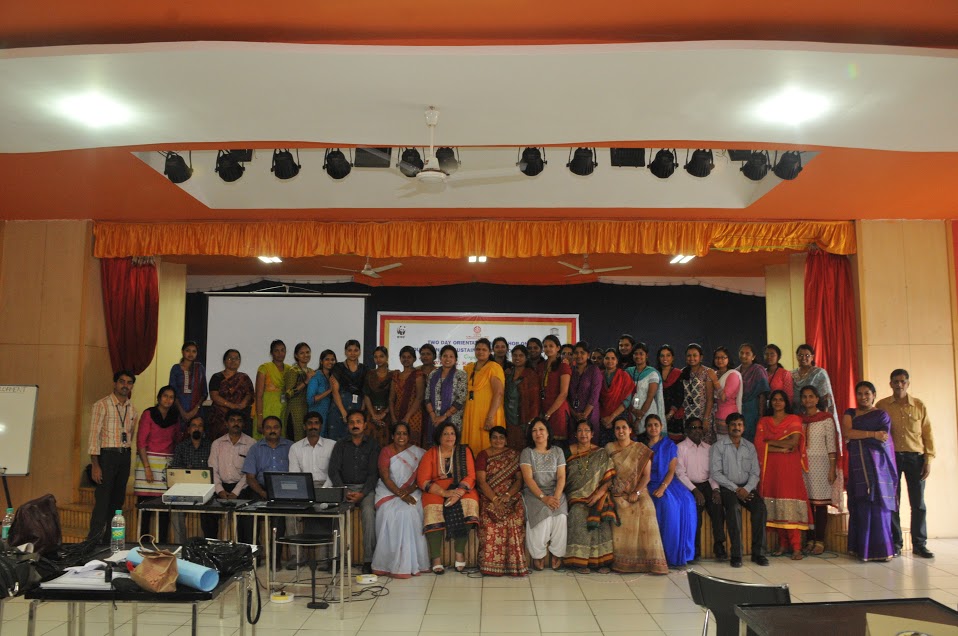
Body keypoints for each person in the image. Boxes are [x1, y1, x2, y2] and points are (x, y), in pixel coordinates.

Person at [877, 369, 936, 559]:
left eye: (902, 381)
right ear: (890, 384)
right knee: (893, 502)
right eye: (895, 381)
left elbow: (927, 434)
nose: (899, 385)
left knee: (918, 503)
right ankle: (895, 543)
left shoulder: (919, 405)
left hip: (915, 458)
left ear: (908, 384)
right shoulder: (882, 406)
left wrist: (928, 459)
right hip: (891, 459)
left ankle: (919, 544)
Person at [605, 416, 668, 574]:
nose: (621, 431)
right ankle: (623, 562)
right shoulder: (609, 448)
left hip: (639, 490)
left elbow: (646, 476)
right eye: (617, 428)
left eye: (624, 428)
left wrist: (637, 492)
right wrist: (617, 490)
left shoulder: (640, 449)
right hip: (617, 493)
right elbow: (606, 474)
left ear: (630, 430)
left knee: (647, 509)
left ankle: (650, 562)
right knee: (624, 512)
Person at [754, 391, 812, 559]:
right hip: (770, 468)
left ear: (786, 402)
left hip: (789, 468)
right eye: (774, 400)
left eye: (781, 400)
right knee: (775, 503)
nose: (777, 402)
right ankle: (783, 544)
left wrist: (769, 443)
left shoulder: (794, 419)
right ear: (770, 402)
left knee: (790, 504)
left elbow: (793, 443)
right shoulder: (764, 421)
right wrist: (779, 447)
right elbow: (758, 445)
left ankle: (796, 547)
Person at [844, 381, 897, 562]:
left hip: (878, 467)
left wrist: (861, 434)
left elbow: (884, 438)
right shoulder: (850, 413)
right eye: (859, 393)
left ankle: (883, 550)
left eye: (867, 393)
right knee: (860, 503)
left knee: (879, 505)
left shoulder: (881, 415)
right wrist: (872, 434)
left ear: (874, 395)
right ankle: (862, 550)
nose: (863, 397)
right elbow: (848, 433)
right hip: (858, 466)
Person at [417, 422, 479, 574]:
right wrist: (444, 493)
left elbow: (471, 475)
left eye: (452, 433)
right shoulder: (430, 453)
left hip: (461, 488)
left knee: (470, 504)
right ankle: (436, 558)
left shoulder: (464, 451)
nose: (449, 437)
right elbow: (423, 480)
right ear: (439, 437)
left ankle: (459, 551)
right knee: (433, 509)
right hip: (436, 490)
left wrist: (458, 493)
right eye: (445, 434)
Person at [371, 421, 430, 578]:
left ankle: (410, 563)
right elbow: (385, 477)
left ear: (409, 436)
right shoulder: (386, 451)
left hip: (413, 490)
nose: (401, 437)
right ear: (392, 436)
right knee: (388, 512)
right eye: (398, 433)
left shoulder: (418, 453)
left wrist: (407, 492)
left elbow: (421, 477)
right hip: (388, 490)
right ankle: (386, 564)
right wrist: (400, 494)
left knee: (410, 511)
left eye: (404, 433)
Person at [710, 412, 769, 567]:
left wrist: (747, 489)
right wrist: (736, 489)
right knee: (734, 508)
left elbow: (755, 473)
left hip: (747, 488)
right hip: (728, 488)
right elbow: (716, 473)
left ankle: (759, 554)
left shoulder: (750, 447)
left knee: (760, 508)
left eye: (739, 424)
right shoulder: (718, 447)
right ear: (727, 427)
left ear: (744, 428)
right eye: (733, 425)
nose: (736, 427)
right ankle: (736, 555)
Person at [87, 370, 138, 542]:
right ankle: (92, 542)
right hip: (107, 456)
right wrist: (95, 465)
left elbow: (130, 435)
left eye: (129, 382)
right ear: (115, 383)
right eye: (122, 381)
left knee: (117, 502)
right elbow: (94, 436)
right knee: (102, 501)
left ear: (132, 386)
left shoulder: (132, 409)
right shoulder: (101, 405)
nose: (125, 385)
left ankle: (110, 542)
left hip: (124, 457)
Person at [329, 410, 380, 574]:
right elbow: (333, 471)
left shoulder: (373, 445)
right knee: (336, 513)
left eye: (358, 422)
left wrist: (362, 493)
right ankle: (336, 558)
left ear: (365, 425)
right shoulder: (340, 445)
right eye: (351, 422)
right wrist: (344, 490)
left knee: (368, 512)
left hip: (366, 489)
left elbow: (374, 474)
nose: (355, 425)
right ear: (348, 425)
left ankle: (368, 560)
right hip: (344, 488)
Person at [643, 414, 697, 567]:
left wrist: (663, 487)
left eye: (656, 425)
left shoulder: (669, 445)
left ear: (661, 427)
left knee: (686, 501)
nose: (653, 428)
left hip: (667, 482)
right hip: (649, 482)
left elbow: (671, 470)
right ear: (645, 428)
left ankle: (680, 552)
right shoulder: (642, 446)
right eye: (649, 425)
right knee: (665, 504)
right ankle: (662, 554)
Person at [564, 420, 616, 573]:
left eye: (587, 430)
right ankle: (579, 561)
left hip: (598, 494)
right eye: (580, 430)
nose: (583, 434)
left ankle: (602, 562)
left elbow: (609, 478)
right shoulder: (568, 452)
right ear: (575, 434)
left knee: (601, 515)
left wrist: (599, 494)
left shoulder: (600, 453)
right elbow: (562, 476)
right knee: (578, 513)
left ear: (592, 434)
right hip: (576, 495)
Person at [476, 426, 528, 577]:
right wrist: (495, 499)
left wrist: (508, 495)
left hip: (510, 496)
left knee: (514, 519)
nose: (498, 440)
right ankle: (490, 565)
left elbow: (519, 480)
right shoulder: (483, 455)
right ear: (490, 439)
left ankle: (513, 565)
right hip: (489, 496)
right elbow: (481, 481)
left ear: (506, 440)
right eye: (494, 437)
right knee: (490, 523)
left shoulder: (514, 455)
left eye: (501, 437)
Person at [242, 415, 293, 564]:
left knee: (279, 519)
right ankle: (254, 558)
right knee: (250, 517)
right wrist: (262, 492)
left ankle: (275, 560)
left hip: (283, 489)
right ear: (263, 430)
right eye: (268, 428)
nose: (272, 430)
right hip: (259, 488)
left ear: (281, 429)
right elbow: (250, 477)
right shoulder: (255, 448)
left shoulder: (291, 447)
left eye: (275, 427)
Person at [520, 418, 568, 571]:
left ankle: (557, 553)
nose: (538, 433)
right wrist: (544, 498)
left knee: (560, 516)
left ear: (548, 433)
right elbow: (528, 479)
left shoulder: (558, 451)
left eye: (541, 429)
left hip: (555, 492)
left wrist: (556, 497)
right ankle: (538, 554)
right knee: (543, 516)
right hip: (534, 493)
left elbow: (561, 477)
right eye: (534, 430)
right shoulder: (527, 453)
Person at [676, 418, 726, 561]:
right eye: (693, 427)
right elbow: (680, 474)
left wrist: (716, 489)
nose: (697, 430)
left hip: (707, 484)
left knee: (717, 507)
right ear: (686, 430)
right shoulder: (680, 448)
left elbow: (714, 473)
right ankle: (695, 550)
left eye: (699, 427)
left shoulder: (709, 449)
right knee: (695, 511)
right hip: (689, 486)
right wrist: (695, 490)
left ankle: (719, 546)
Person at [133, 385, 179, 543]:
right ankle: (143, 544)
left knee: (164, 510)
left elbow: (176, 441)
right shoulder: (148, 414)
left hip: (166, 466)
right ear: (159, 398)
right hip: (147, 464)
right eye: (165, 396)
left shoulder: (175, 417)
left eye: (171, 397)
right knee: (145, 510)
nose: (168, 400)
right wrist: (147, 468)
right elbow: (141, 442)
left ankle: (162, 545)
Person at [799, 385, 841, 555]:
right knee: (807, 505)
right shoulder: (799, 420)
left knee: (821, 504)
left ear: (817, 399)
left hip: (822, 465)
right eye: (804, 396)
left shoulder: (826, 419)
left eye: (811, 396)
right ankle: (809, 539)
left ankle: (820, 541)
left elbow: (831, 445)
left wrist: (832, 468)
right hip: (803, 465)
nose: (808, 400)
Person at [209, 409, 256, 543]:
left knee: (246, 521)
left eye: (239, 421)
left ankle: (245, 550)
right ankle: (211, 547)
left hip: (243, 488)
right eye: (232, 420)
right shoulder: (217, 444)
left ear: (244, 424)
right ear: (226, 423)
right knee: (207, 514)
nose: (236, 423)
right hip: (220, 488)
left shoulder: (252, 443)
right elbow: (212, 470)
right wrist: (220, 490)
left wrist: (236, 492)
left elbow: (250, 472)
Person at [170, 416, 218, 543]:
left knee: (210, 513)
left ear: (203, 430)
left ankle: (209, 546)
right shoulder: (181, 447)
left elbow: (214, 469)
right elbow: (175, 470)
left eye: (200, 425)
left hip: (205, 490)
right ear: (188, 430)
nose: (197, 428)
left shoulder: (211, 446)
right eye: (194, 425)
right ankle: (180, 545)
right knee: (176, 509)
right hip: (185, 489)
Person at [462, 338, 506, 455]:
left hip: (489, 413)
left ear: (489, 351)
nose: (480, 352)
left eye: (484, 349)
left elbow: (499, 393)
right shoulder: (469, 367)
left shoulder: (494, 367)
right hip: (471, 413)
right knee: (471, 447)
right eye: (478, 349)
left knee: (488, 445)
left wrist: (490, 417)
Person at [424, 345, 467, 446]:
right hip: (434, 419)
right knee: (436, 446)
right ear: (440, 358)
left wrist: (444, 416)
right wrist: (433, 416)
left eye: (451, 356)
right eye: (445, 356)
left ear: (455, 359)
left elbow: (460, 399)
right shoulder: (433, 374)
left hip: (453, 418)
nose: (448, 359)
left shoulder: (460, 374)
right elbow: (427, 397)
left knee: (451, 446)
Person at [792, 344, 840, 434]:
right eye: (800, 355)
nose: (803, 358)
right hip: (796, 415)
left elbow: (826, 398)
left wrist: (822, 418)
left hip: (815, 415)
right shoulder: (792, 374)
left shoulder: (819, 373)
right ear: (797, 356)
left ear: (812, 357)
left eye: (807, 355)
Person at [208, 349, 255, 438]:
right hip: (220, 418)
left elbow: (249, 394)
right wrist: (231, 406)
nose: (233, 361)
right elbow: (214, 396)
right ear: (224, 360)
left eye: (236, 358)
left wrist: (242, 404)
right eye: (230, 358)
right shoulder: (216, 377)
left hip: (239, 417)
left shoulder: (244, 378)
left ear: (239, 361)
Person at [328, 339, 367, 441]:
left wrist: (362, 411)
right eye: (350, 350)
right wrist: (343, 412)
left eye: (356, 350)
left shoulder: (364, 369)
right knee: (336, 441)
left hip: (357, 407)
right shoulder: (338, 367)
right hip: (339, 408)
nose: (352, 353)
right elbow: (335, 391)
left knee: (355, 440)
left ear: (360, 352)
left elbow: (365, 392)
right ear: (345, 352)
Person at [503, 344, 540, 451]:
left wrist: (531, 421)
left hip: (523, 419)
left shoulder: (531, 375)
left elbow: (535, 401)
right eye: (515, 355)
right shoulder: (508, 374)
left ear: (526, 357)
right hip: (508, 418)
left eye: (521, 355)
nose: (517, 358)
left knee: (522, 449)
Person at [625, 343, 666, 438]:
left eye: (641, 354)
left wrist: (638, 418)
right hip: (631, 411)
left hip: (648, 413)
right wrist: (632, 410)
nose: (638, 356)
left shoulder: (652, 373)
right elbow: (624, 395)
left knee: (649, 440)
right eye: (635, 353)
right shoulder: (628, 372)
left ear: (646, 356)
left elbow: (650, 397)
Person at [169, 341, 207, 437]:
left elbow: (204, 393)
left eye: (194, 351)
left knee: (196, 437)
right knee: (179, 437)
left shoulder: (200, 368)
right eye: (188, 350)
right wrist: (182, 412)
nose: (191, 354)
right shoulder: (176, 368)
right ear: (182, 352)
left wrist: (195, 410)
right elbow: (172, 392)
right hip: (178, 410)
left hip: (196, 411)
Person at [540, 334, 572, 448]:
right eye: (545, 346)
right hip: (544, 408)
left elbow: (564, 393)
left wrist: (549, 413)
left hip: (558, 411)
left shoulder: (563, 366)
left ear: (558, 348)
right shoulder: (541, 366)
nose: (548, 349)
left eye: (551, 346)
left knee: (557, 445)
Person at [288, 412, 334, 489]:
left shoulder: (332, 445)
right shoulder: (295, 448)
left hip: (328, 488)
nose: (313, 426)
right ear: (304, 427)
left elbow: (334, 473)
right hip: (304, 488)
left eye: (316, 423)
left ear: (321, 426)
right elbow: (295, 475)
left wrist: (324, 489)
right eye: (309, 423)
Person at [390, 346, 425, 447]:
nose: (406, 359)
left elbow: (419, 397)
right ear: (400, 358)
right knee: (397, 443)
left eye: (409, 357)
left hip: (413, 416)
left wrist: (407, 417)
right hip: (397, 414)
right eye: (403, 357)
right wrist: (393, 417)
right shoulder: (396, 376)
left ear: (414, 359)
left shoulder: (418, 374)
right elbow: (391, 399)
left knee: (412, 444)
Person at [681, 344, 717, 443]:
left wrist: (706, 419)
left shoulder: (707, 372)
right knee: (689, 444)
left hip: (703, 415)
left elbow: (710, 399)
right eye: (689, 355)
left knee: (704, 445)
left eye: (694, 355)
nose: (691, 358)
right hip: (688, 415)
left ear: (701, 357)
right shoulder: (683, 372)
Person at [598, 349, 634, 447]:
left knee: (621, 446)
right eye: (607, 358)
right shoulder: (599, 376)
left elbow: (627, 401)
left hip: (620, 416)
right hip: (603, 418)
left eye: (613, 358)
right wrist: (603, 418)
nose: (610, 361)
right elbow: (596, 399)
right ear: (603, 360)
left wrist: (612, 417)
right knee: (605, 448)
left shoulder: (624, 376)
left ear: (617, 361)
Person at [255, 340, 290, 439]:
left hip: (283, 410)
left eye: (282, 350)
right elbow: (258, 395)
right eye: (276, 351)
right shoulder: (264, 368)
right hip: (266, 409)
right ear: (271, 353)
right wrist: (260, 417)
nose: (280, 353)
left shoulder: (289, 369)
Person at [568, 341, 603, 440]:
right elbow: (566, 395)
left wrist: (584, 416)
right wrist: (574, 413)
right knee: (574, 442)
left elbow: (595, 395)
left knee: (590, 441)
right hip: (573, 414)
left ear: (588, 355)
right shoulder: (570, 370)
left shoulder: (594, 370)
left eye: (582, 353)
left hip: (590, 413)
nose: (579, 355)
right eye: (576, 353)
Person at [283, 342, 316, 442]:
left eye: (307, 352)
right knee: (295, 442)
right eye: (302, 353)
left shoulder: (310, 371)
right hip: (295, 412)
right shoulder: (293, 371)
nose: (305, 355)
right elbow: (288, 393)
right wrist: (306, 381)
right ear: (296, 355)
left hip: (307, 411)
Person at [737, 343, 770, 442]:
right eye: (741, 353)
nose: (744, 355)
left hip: (753, 410)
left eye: (747, 353)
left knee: (752, 439)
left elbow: (762, 394)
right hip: (739, 409)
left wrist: (761, 415)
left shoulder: (758, 370)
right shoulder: (735, 372)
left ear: (753, 356)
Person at [364, 346, 395, 448]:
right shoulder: (370, 374)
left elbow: (393, 397)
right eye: (376, 357)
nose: (378, 359)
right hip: (371, 414)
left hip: (387, 414)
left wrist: (384, 413)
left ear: (387, 357)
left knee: (385, 443)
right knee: (369, 443)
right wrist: (373, 414)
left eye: (381, 356)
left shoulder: (393, 375)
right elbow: (366, 395)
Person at [657, 345, 686, 441]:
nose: (665, 358)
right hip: (657, 414)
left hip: (674, 415)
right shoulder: (654, 374)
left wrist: (669, 415)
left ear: (672, 358)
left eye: (668, 355)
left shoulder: (678, 373)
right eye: (662, 356)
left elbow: (680, 396)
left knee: (674, 444)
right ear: (658, 358)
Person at [713, 346, 742, 438]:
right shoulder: (714, 374)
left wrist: (715, 381)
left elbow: (724, 398)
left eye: (723, 357)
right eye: (717, 357)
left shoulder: (733, 375)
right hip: (715, 416)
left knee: (728, 443)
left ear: (728, 358)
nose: (719, 360)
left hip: (729, 416)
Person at [306, 349, 337, 427]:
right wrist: (329, 390)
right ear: (321, 361)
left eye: (332, 360)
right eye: (327, 359)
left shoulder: (334, 377)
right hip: (316, 417)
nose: (330, 362)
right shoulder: (316, 376)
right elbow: (310, 400)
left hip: (330, 417)